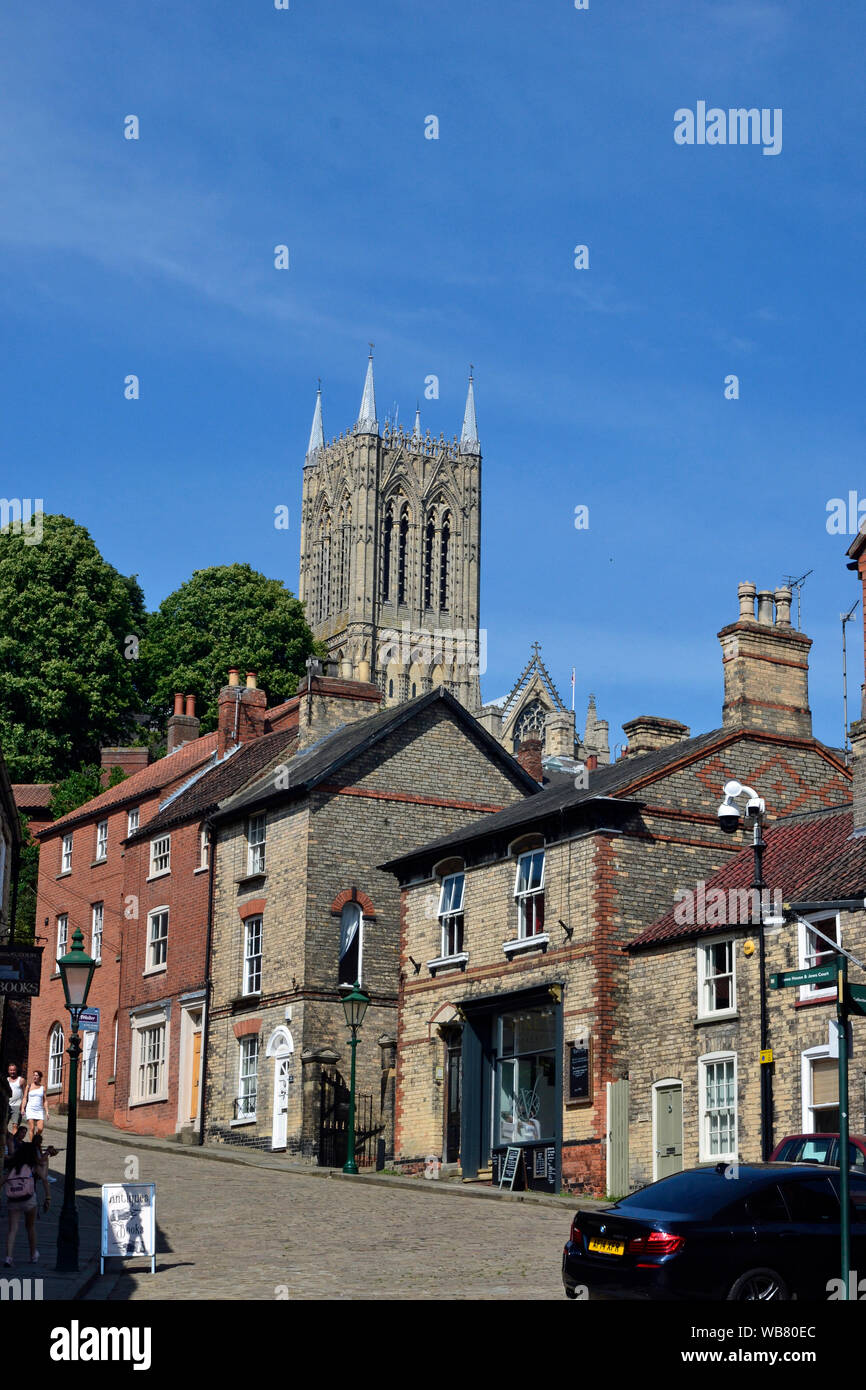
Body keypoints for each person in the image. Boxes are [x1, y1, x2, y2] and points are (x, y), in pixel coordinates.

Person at [1, 1140, 48, 1265]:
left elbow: (2, 1181)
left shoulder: (12, 1166)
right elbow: (44, 1178)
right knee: (30, 1227)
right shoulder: (32, 1166)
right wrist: (48, 1197)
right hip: (28, 1199)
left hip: (13, 1200)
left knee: (12, 1229)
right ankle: (33, 1255)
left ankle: (8, 1258)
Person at [22, 1070, 48, 1140]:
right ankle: (32, 1145)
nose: (35, 1077)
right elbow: (25, 1098)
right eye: (34, 1075)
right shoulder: (29, 1086)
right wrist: (22, 1108)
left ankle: (35, 1138)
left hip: (39, 1110)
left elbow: (45, 1100)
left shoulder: (43, 1088)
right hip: (30, 1109)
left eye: (36, 1075)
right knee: (32, 1128)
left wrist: (47, 1112)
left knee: (40, 1128)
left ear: (40, 1077)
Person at [6, 1064, 24, 1133]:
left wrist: (23, 1105)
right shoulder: (6, 1080)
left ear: (16, 1071)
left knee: (15, 1125)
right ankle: (7, 1139)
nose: (12, 1072)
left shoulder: (21, 1080)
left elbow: (25, 1093)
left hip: (17, 1105)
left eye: (14, 1070)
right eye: (11, 1070)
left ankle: (14, 1142)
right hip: (7, 1105)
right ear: (8, 1071)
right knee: (4, 1124)